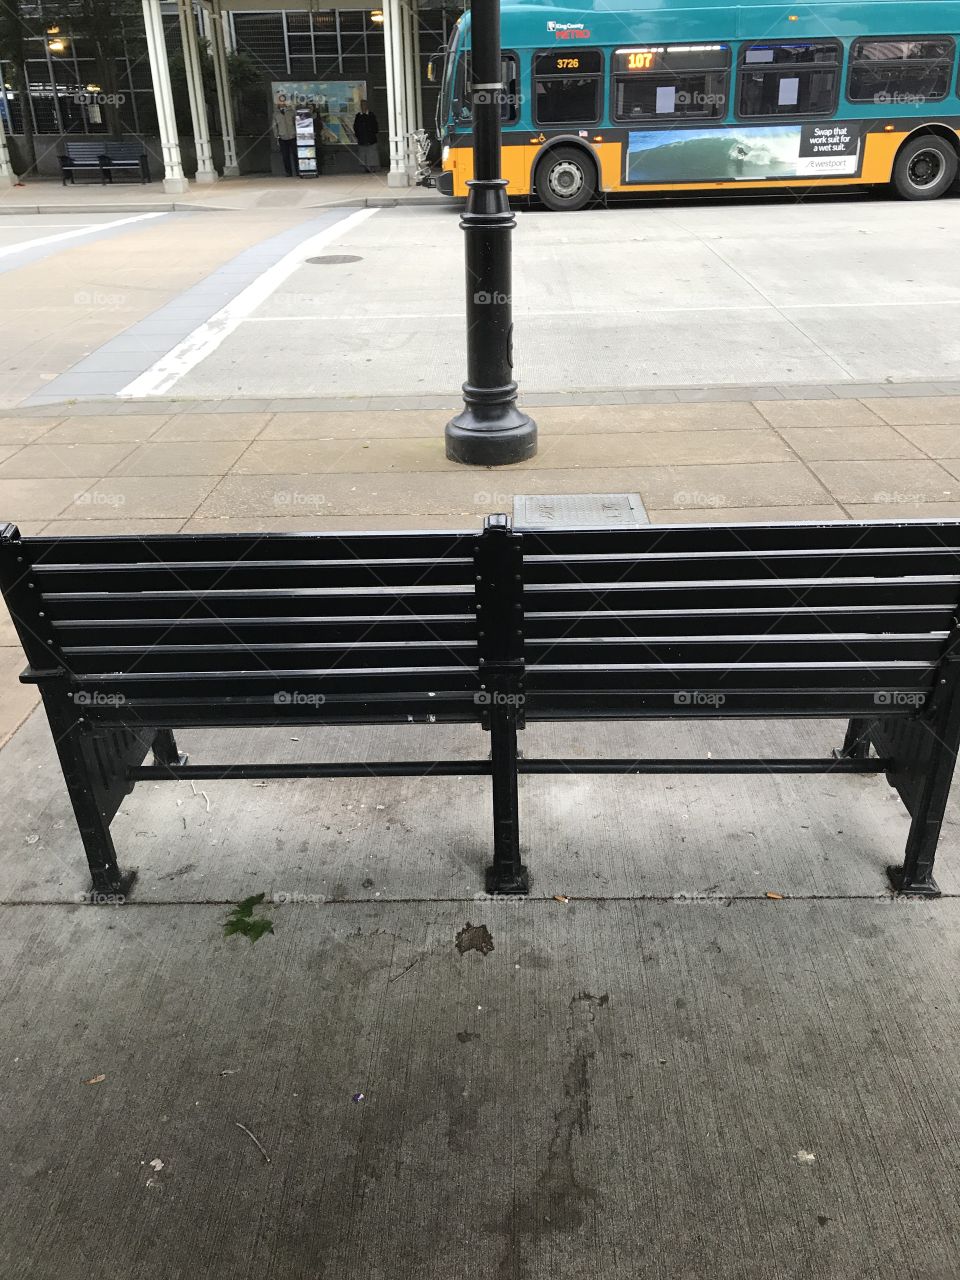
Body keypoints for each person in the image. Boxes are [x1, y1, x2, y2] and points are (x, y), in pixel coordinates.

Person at [273, 93, 298, 177]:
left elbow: (295, 123)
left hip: (292, 135)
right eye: (280, 101)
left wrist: (297, 133)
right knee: (285, 156)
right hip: (282, 137)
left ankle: (298, 171)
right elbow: (274, 126)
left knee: (296, 154)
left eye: (283, 101)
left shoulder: (291, 112)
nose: (282, 103)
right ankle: (288, 172)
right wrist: (277, 136)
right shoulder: (276, 114)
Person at [353, 101, 380, 173]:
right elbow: (355, 127)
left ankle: (372, 168)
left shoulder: (371, 115)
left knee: (372, 154)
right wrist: (358, 135)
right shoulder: (358, 116)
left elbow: (375, 126)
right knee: (363, 154)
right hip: (362, 139)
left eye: (364, 105)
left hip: (371, 139)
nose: (363, 107)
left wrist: (372, 133)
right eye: (362, 105)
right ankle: (365, 168)